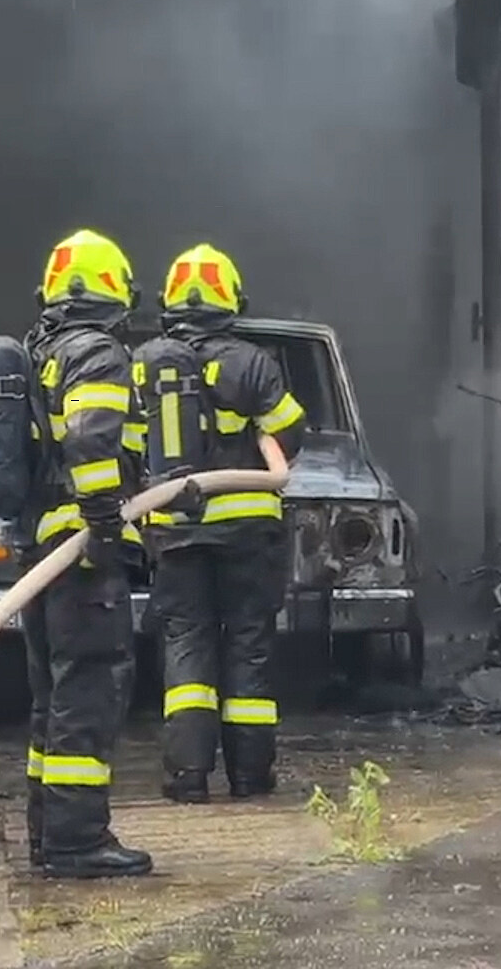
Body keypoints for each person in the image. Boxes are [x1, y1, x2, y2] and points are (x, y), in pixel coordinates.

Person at [143, 244, 307, 804]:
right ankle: (250, 777)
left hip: (177, 530)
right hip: (247, 533)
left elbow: (132, 448)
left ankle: (187, 777)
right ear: (232, 301)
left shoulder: (149, 365)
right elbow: (289, 431)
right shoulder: (253, 363)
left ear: (169, 301)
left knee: (186, 647)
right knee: (248, 646)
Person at [22, 228, 153, 878]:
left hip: (43, 548)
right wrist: (104, 528)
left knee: (53, 696)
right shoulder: (98, 353)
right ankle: (77, 842)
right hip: (81, 550)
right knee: (90, 689)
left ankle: (47, 835)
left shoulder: (39, 352)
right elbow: (91, 444)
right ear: (116, 293)